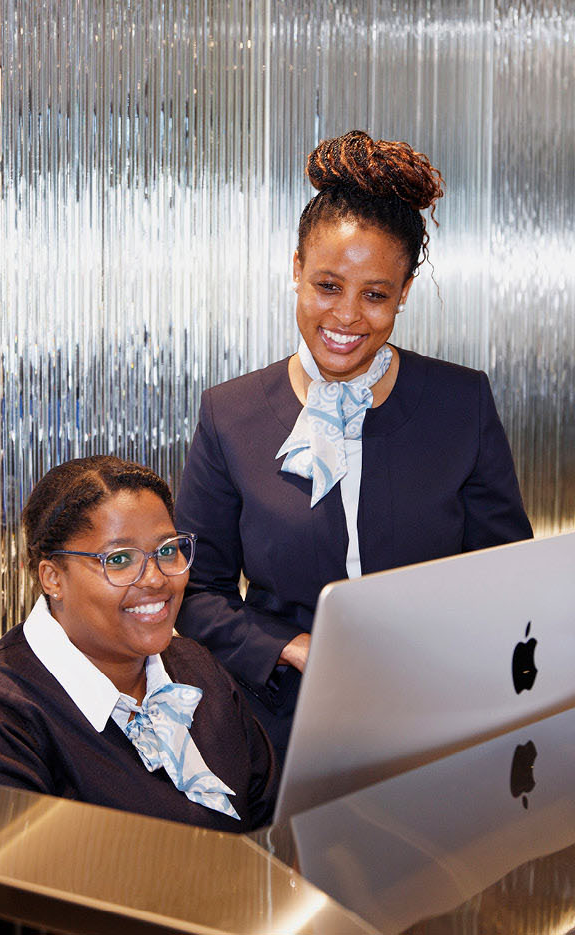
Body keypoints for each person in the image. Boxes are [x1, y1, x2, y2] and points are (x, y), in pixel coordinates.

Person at [174, 130, 534, 759]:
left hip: (438, 708)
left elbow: (506, 571)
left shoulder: (461, 403)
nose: (345, 317)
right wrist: (287, 647)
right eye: (327, 285)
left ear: (403, 295)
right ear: (296, 272)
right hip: (282, 717)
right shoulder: (229, 414)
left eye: (375, 295)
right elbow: (196, 592)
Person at [0, 456, 278, 832]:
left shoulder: (197, 670)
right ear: (52, 578)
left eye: (166, 550)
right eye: (120, 558)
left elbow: (268, 817)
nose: (156, 579)